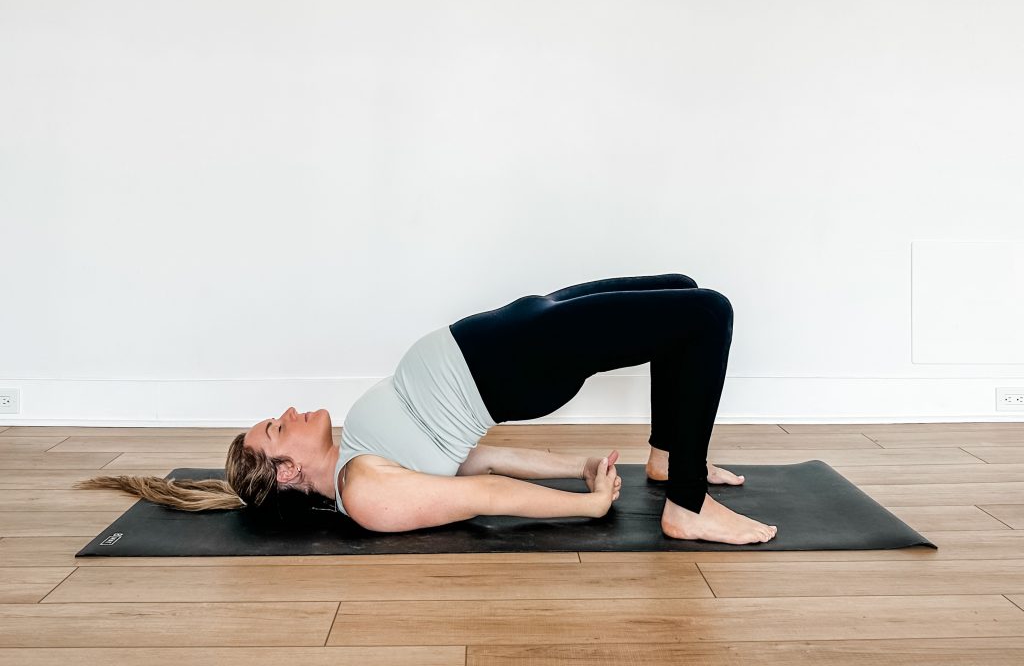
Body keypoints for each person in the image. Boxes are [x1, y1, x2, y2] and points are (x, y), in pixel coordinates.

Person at [80, 273, 778, 545]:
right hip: (520, 362)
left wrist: (578, 465)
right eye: (276, 426)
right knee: (707, 314)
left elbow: (472, 456)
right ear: (287, 471)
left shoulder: (361, 453)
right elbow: (481, 491)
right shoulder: (366, 493)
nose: (288, 412)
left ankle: (667, 454)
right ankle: (685, 505)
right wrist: (586, 508)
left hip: (517, 336)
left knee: (678, 290)